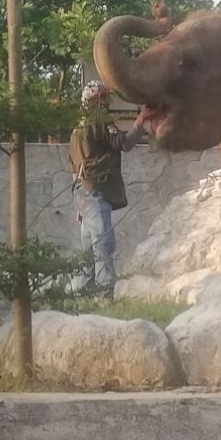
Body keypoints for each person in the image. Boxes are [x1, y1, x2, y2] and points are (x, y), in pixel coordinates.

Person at [68, 80, 151, 296]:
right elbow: (124, 144)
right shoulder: (101, 123)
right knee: (103, 243)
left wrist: (79, 205)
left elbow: (74, 165)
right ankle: (105, 291)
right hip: (96, 189)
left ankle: (81, 290)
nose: (107, 102)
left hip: (82, 191)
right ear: (97, 101)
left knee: (88, 246)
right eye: (104, 98)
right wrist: (141, 122)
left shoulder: (77, 128)